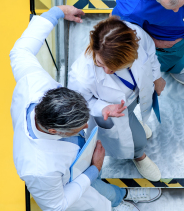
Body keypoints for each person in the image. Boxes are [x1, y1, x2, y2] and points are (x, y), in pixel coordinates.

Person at [10, 5, 161, 211]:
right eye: (80, 128)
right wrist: (93, 170)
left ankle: (121, 194)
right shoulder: (38, 168)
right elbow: (55, 206)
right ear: (54, 131)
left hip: (87, 153)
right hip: (75, 175)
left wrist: (57, 12)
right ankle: (118, 199)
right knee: (100, 191)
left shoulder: (35, 83)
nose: (85, 128)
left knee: (123, 134)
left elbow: (20, 51)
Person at [69, 17, 165, 181]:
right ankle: (138, 155)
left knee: (132, 114)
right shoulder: (82, 75)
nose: (106, 71)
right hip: (112, 111)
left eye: (114, 67)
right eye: (100, 63)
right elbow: (81, 103)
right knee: (137, 139)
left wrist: (156, 77)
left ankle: (133, 121)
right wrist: (103, 108)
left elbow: (150, 54)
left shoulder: (138, 36)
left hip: (133, 96)